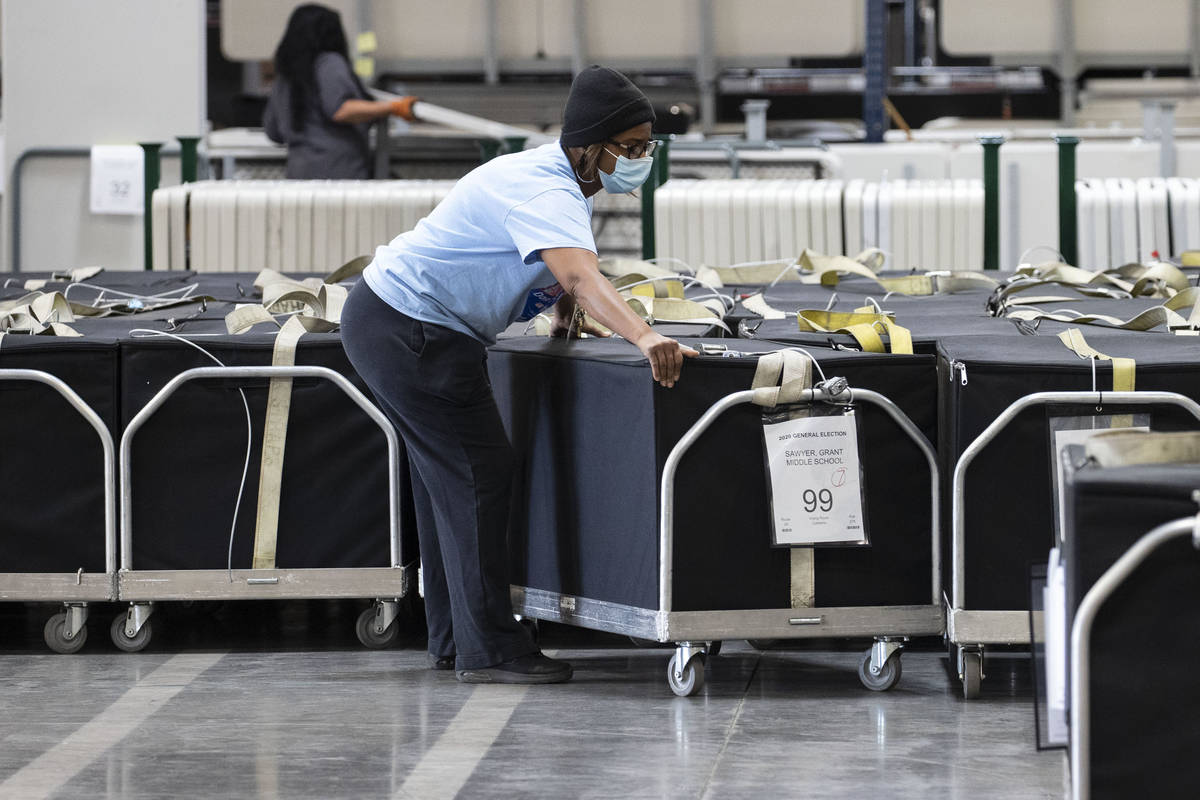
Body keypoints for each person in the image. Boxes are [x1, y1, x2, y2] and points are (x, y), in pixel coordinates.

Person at [340, 65, 697, 685]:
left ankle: (457, 637)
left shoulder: (550, 176)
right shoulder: (548, 191)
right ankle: (492, 650)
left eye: (647, 147)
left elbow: (549, 267)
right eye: (632, 148)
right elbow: (584, 274)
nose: (640, 160)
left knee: (447, 483)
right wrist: (643, 335)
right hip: (414, 332)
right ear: (591, 146)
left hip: (391, 320)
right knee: (479, 477)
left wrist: (561, 310)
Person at [263, 3, 408, 179]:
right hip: (338, 175)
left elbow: (273, 132)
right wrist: (394, 107)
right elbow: (341, 109)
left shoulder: (285, 77)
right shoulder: (329, 64)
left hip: (298, 177)